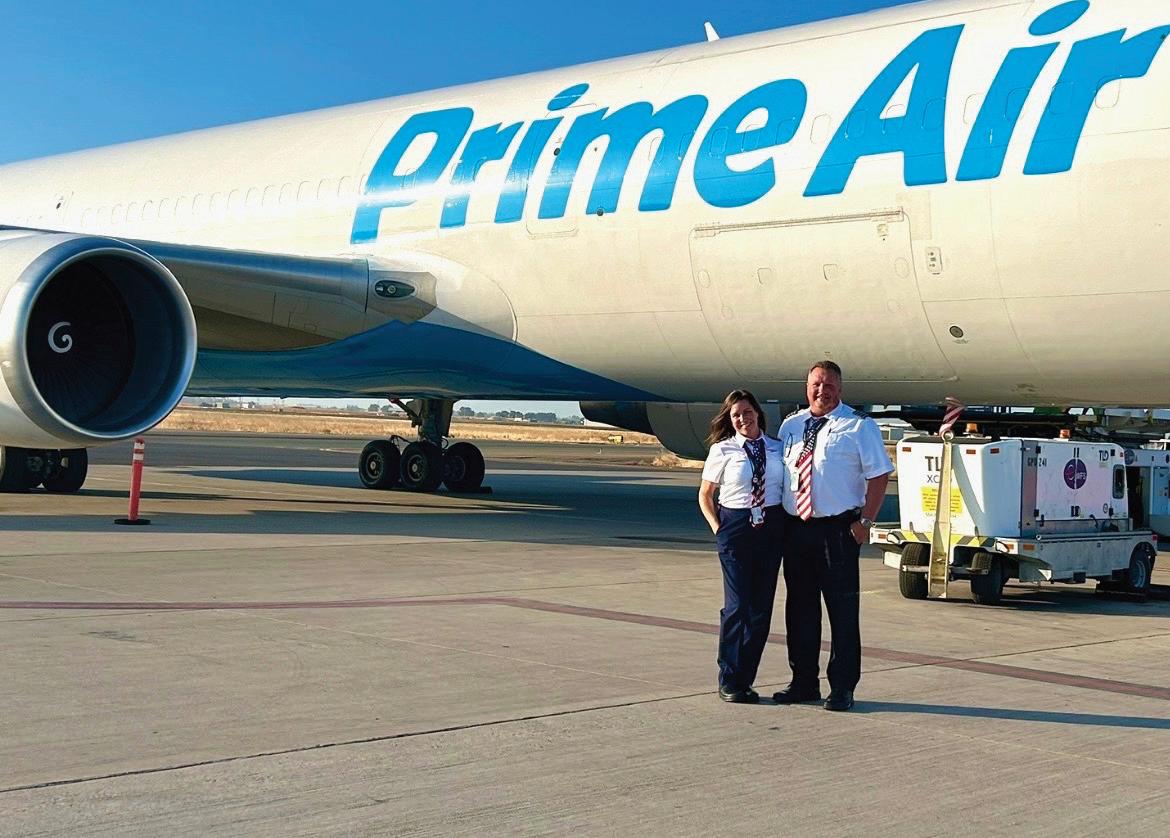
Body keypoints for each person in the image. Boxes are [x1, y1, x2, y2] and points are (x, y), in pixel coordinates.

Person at [773, 361, 893, 712]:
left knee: (842, 612)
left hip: (838, 531)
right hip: (797, 528)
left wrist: (865, 522)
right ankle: (803, 682)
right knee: (800, 609)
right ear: (806, 387)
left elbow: (879, 475)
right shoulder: (791, 425)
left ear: (840, 388)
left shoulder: (858, 425)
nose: (821, 391)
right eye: (816, 384)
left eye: (828, 385)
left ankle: (842, 687)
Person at [698, 389, 785, 704]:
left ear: (758, 413)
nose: (743, 419)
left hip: (771, 527)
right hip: (735, 527)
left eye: (747, 412)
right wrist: (718, 528)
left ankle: (745, 679)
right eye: (736, 415)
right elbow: (705, 494)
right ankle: (729, 678)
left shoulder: (776, 447)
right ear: (730, 420)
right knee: (737, 606)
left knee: (761, 609)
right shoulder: (723, 450)